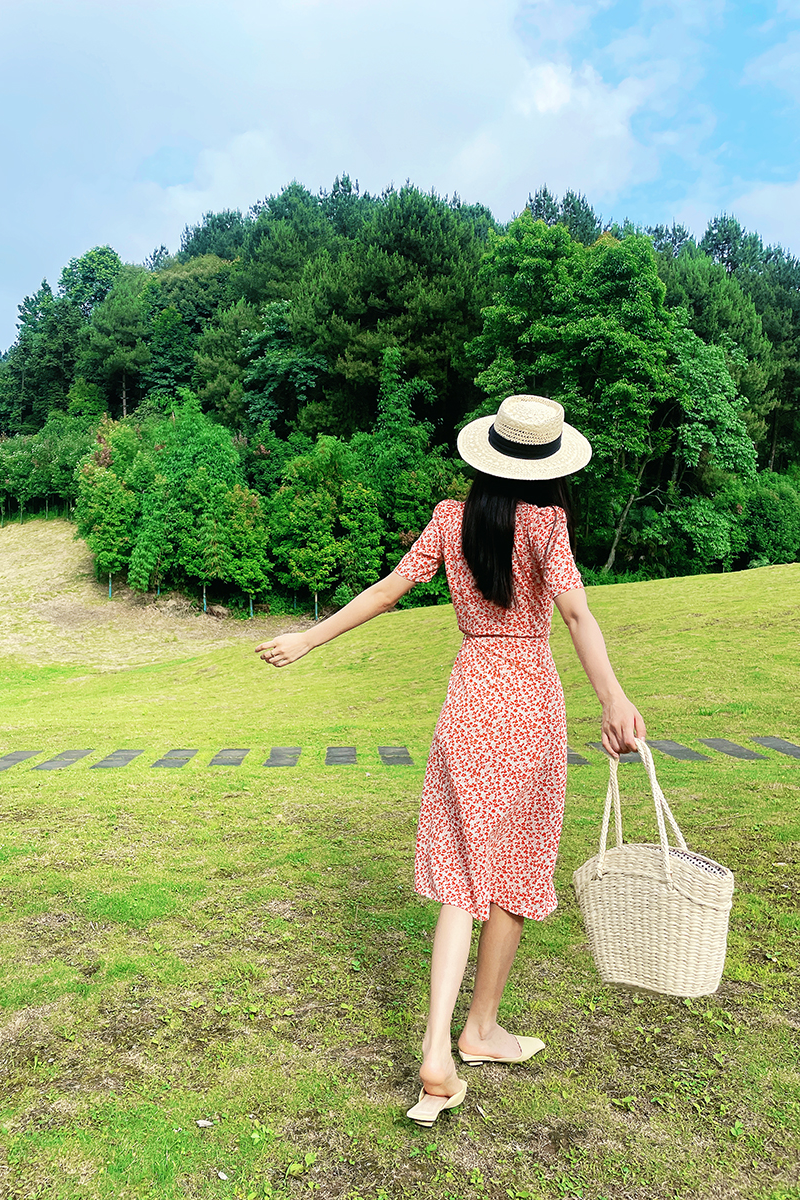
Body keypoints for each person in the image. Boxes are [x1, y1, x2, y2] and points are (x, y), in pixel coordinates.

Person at [254, 394, 645, 1128]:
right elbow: (577, 615)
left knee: (461, 878)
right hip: (528, 698)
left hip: (468, 697)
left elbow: (387, 591)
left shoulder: (447, 517)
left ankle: (447, 1048)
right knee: (517, 868)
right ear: (551, 466)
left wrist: (309, 639)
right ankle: (477, 1030)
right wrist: (613, 699)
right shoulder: (548, 524)